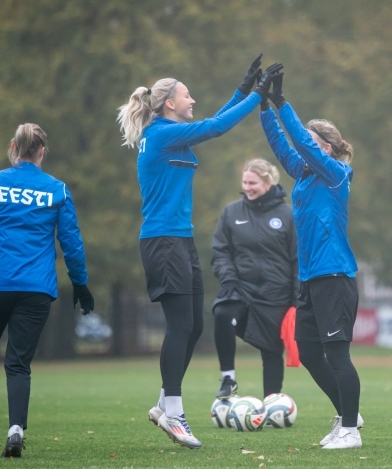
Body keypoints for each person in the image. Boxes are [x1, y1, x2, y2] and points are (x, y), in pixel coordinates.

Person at [117, 55, 283, 449]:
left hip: (180, 240)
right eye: (187, 96)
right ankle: (173, 411)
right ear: (169, 104)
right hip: (163, 241)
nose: (192, 101)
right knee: (180, 326)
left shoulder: (173, 132)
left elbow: (209, 124)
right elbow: (215, 127)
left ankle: (163, 403)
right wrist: (258, 95)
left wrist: (243, 89)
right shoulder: (159, 134)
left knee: (191, 326)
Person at [0, 124, 94, 458]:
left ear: (13, 147)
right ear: (42, 151)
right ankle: (15, 431)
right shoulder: (57, 189)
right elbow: (71, 242)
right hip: (36, 287)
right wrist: (81, 284)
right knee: (18, 363)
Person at [259, 74, 364, 449]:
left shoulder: (336, 175)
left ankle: (350, 430)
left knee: (337, 355)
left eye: (314, 144)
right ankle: (347, 413)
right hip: (310, 279)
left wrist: (283, 101)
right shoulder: (303, 176)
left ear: (329, 150)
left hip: (334, 275)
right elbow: (282, 144)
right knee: (305, 349)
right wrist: (263, 105)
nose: (305, 149)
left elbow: (300, 143)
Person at [211, 158, 298, 400]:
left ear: (268, 183)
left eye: (253, 183)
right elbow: (220, 251)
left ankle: (272, 402)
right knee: (223, 313)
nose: (247, 187)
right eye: (245, 182)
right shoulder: (231, 212)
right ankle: (228, 378)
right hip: (241, 289)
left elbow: (297, 259)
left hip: (276, 294)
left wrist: (296, 297)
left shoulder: (288, 215)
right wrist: (228, 278)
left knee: (271, 351)